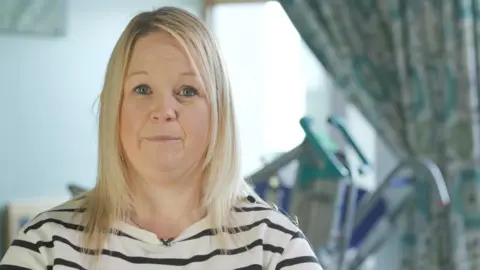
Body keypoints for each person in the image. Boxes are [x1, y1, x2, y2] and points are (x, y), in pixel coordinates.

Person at [0, 7, 322, 270]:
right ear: (115, 109)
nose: (163, 110)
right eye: (142, 90)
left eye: (187, 91)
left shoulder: (275, 248)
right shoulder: (46, 246)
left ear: (219, 114)